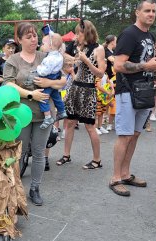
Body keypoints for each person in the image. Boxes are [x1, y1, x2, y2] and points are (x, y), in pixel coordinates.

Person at [3, 22, 66, 206]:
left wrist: (48, 83)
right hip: (21, 113)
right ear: (19, 39)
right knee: (19, 152)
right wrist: (31, 94)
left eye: (35, 36)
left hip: (44, 115)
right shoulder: (13, 60)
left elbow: (62, 80)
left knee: (39, 153)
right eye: (28, 36)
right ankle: (14, 187)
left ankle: (35, 188)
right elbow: (8, 84)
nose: (33, 39)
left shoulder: (47, 56)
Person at [109, 0, 156, 196]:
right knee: (124, 136)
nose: (151, 14)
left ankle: (125, 173)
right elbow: (118, 65)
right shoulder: (129, 34)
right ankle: (115, 178)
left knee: (134, 135)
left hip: (145, 91)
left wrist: (154, 70)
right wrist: (145, 67)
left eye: (153, 11)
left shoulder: (149, 36)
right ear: (137, 13)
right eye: (147, 11)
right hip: (127, 91)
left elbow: (146, 62)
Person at [55, 20, 106, 169]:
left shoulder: (99, 49)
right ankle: (66, 155)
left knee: (90, 126)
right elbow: (69, 64)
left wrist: (86, 61)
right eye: (76, 33)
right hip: (75, 88)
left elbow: (100, 73)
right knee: (70, 123)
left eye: (79, 33)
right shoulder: (78, 47)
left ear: (88, 33)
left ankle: (97, 160)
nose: (77, 35)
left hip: (89, 90)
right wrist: (71, 65)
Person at [37, 32, 67, 129]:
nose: (41, 45)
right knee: (56, 96)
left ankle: (47, 117)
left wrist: (38, 68)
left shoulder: (50, 58)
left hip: (49, 77)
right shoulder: (59, 55)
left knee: (43, 98)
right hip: (56, 76)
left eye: (43, 44)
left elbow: (44, 71)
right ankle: (62, 111)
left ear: (50, 46)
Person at [103, 35, 117, 131]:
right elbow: (112, 60)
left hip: (114, 77)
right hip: (107, 77)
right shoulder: (106, 51)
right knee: (107, 97)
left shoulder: (114, 51)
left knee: (110, 99)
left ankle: (106, 117)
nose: (117, 42)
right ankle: (104, 116)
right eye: (116, 41)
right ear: (112, 41)